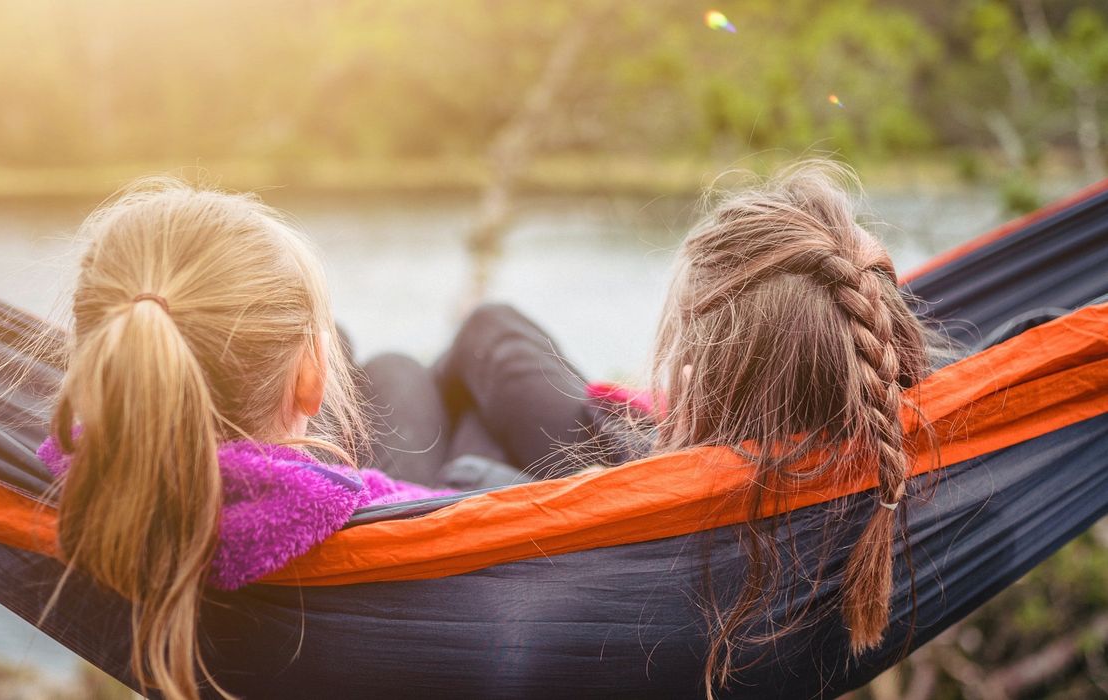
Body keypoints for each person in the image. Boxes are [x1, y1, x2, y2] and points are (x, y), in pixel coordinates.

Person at [367, 160, 936, 687]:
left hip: (557, 525)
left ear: (694, 379)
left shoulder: (665, 551)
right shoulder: (913, 450)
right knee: (484, 338)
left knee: (401, 372)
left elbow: (505, 536)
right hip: (657, 474)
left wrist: (490, 483)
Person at [36, 179, 448, 700]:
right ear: (312, 377)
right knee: (441, 352)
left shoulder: (76, 475)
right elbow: (473, 515)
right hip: (438, 501)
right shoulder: (380, 511)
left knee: (376, 357)